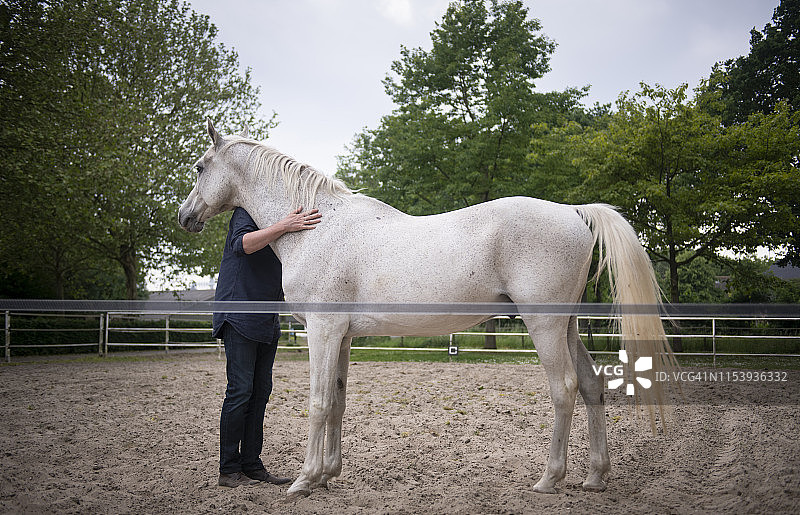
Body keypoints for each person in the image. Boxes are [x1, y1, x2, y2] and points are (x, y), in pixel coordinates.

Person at [213, 206, 321, 488]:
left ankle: (251, 464)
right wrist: (284, 225)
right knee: (240, 391)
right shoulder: (246, 212)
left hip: (266, 317)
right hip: (239, 312)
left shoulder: (282, 215)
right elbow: (243, 244)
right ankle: (228, 469)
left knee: (260, 392)